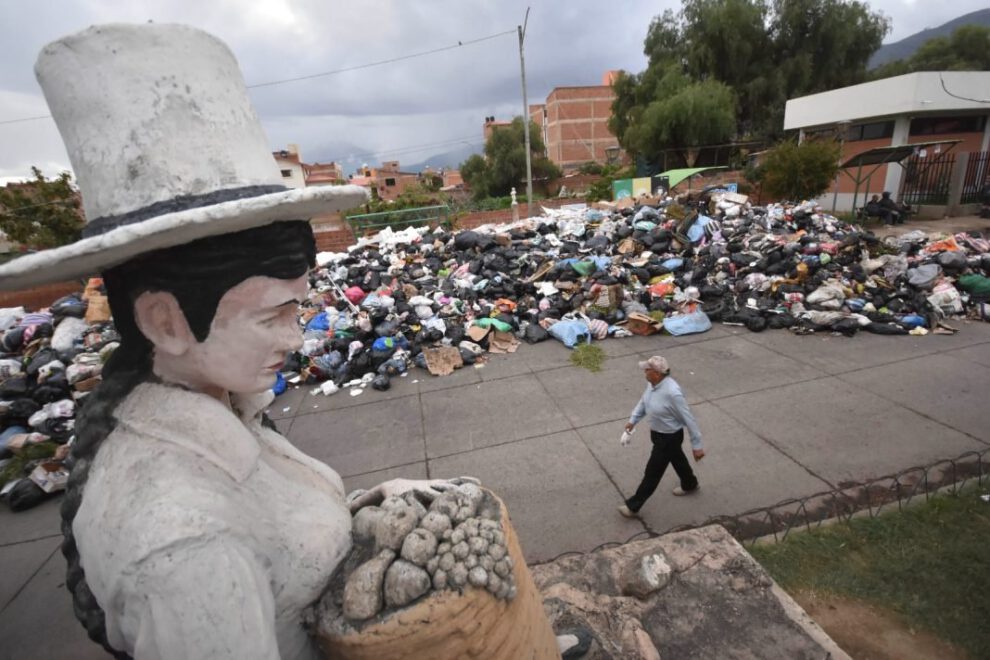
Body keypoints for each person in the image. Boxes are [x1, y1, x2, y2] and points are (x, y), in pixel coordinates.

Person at [0, 24, 480, 660]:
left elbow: (282, 542)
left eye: (299, 307)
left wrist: (372, 506)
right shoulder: (182, 547)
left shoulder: (221, 412)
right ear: (165, 321)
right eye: (273, 315)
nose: (299, 336)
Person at [618, 356, 705, 518]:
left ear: (657, 373)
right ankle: (690, 484)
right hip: (657, 434)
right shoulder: (652, 384)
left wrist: (697, 445)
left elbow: (689, 419)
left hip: (669, 437)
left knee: (652, 472)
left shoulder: (673, 393)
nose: (645, 371)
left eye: (647, 369)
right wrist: (633, 420)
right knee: (677, 459)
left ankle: (633, 505)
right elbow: (644, 402)